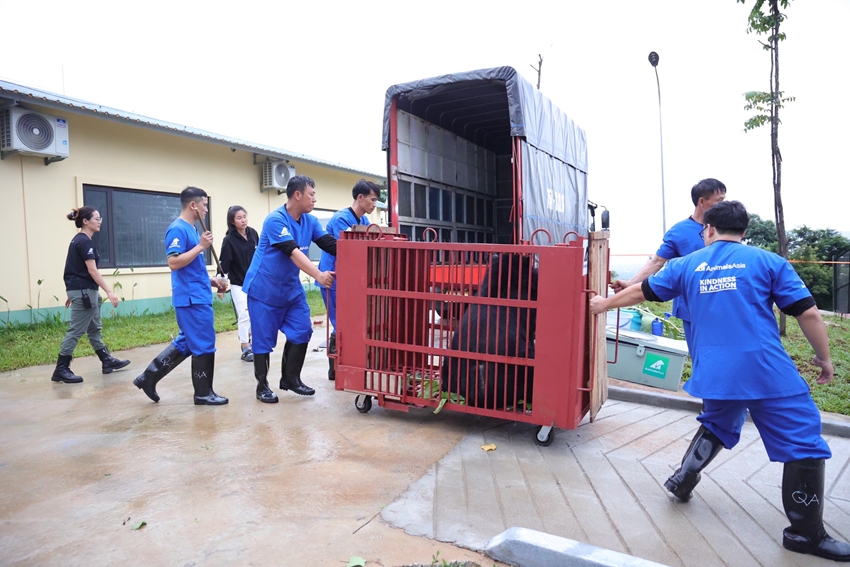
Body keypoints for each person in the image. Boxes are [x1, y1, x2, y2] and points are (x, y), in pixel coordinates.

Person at [590, 200, 850, 562]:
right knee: (803, 439)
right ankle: (806, 535)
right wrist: (824, 358)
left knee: (718, 421)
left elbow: (642, 291)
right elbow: (806, 311)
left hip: (712, 369)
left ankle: (683, 478)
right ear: (744, 232)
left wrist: (602, 305)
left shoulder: (685, 265)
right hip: (764, 368)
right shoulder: (768, 262)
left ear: (708, 230)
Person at [242, 175, 337, 402]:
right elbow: (293, 252)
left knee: (302, 329)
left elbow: (329, 244)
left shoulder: (310, 221)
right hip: (264, 289)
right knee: (263, 340)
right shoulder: (275, 220)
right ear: (297, 195)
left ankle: (291, 379)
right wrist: (318, 275)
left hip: (290, 290)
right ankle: (262, 386)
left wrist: (360, 249)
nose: (315, 199)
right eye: (311, 194)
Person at [133, 186, 229, 406]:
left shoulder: (192, 229)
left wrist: (211, 281)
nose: (206, 209)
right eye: (204, 205)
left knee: (188, 341)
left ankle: (148, 377)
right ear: (193, 205)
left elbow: (192, 267)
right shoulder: (178, 229)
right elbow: (174, 262)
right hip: (191, 298)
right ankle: (203, 394)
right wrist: (201, 246)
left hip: (197, 293)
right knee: (203, 344)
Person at [611, 178, 726, 352]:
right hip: (693, 307)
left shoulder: (726, 227)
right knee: (701, 354)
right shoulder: (679, 232)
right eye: (719, 201)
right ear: (702, 201)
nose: (723, 205)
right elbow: (657, 261)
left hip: (724, 302)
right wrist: (631, 283)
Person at [52, 207, 130, 383]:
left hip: (83, 291)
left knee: (94, 327)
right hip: (84, 292)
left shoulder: (78, 241)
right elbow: (92, 270)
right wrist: (109, 291)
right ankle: (61, 368)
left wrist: (73, 292)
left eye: (100, 218)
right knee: (76, 330)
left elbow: (75, 269)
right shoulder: (84, 242)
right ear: (85, 221)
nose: (100, 221)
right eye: (96, 218)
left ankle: (106, 360)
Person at [318, 179, 380, 380]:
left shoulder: (362, 222)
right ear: (360, 198)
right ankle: (334, 369)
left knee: (349, 321)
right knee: (340, 323)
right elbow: (351, 249)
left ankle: (345, 364)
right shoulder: (341, 219)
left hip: (349, 279)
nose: (374, 204)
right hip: (333, 278)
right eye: (372, 199)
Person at [218, 205, 260, 363]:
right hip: (238, 284)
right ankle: (245, 346)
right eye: (239, 218)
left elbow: (261, 256)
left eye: (245, 216)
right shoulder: (229, 240)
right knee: (244, 315)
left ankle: (257, 344)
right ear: (232, 222)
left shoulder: (253, 233)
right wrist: (221, 287)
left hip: (255, 283)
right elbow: (223, 265)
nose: (243, 220)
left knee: (256, 314)